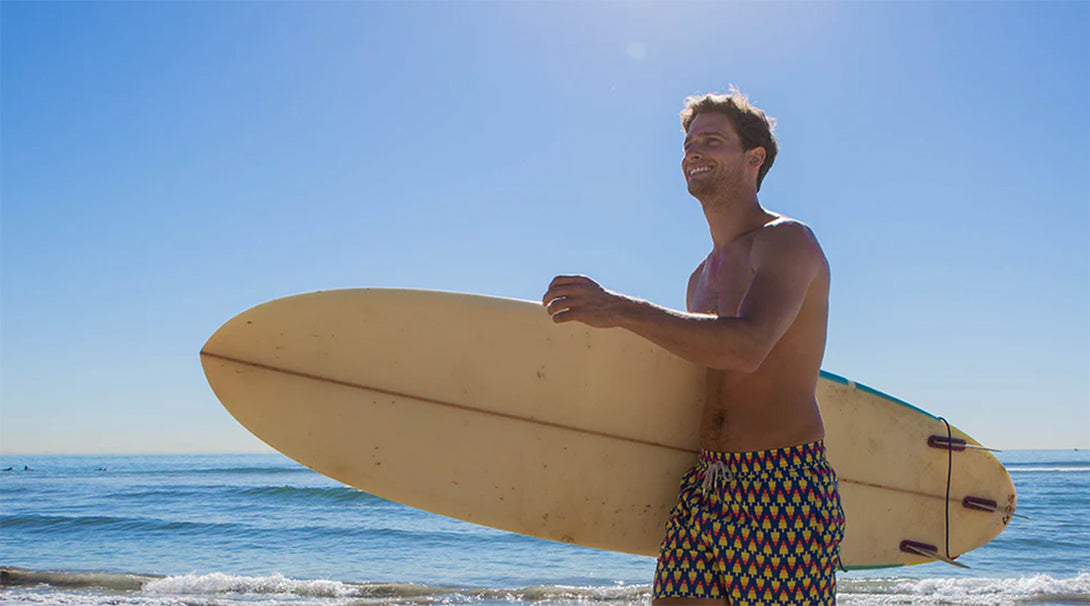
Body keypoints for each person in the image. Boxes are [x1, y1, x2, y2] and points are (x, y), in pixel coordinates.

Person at [542, 88, 845, 605]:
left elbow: (748, 349)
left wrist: (618, 309)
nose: (692, 153)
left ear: (755, 158)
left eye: (711, 140)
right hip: (705, 482)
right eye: (687, 143)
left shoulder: (787, 240)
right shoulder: (699, 278)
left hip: (781, 482)